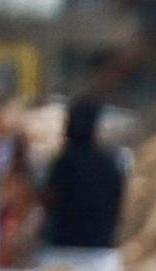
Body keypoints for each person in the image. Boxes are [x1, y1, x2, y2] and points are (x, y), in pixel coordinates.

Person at [42, 95, 128, 258]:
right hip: (100, 248)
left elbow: (49, 200)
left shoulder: (62, 164)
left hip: (62, 249)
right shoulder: (109, 164)